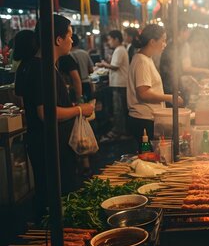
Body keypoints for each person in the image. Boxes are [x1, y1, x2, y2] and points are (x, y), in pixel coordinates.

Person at [14, 17, 95, 215]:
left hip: (48, 143)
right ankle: (53, 241)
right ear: (58, 40)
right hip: (49, 145)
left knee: (54, 194)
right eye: (69, 35)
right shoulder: (42, 68)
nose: (72, 41)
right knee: (56, 199)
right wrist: (79, 110)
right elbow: (45, 113)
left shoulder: (37, 65)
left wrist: (71, 106)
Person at [127, 24, 183, 150]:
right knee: (149, 159)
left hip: (147, 118)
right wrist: (170, 97)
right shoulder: (142, 61)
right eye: (163, 40)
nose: (165, 44)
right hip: (143, 120)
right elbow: (143, 93)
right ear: (152, 42)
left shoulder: (145, 58)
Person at [96, 30, 130, 141]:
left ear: (116, 39)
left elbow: (115, 66)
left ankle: (119, 131)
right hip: (119, 83)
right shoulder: (120, 49)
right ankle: (121, 130)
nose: (109, 42)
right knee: (119, 108)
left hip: (120, 84)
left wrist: (103, 64)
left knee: (118, 109)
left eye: (110, 39)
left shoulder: (120, 50)